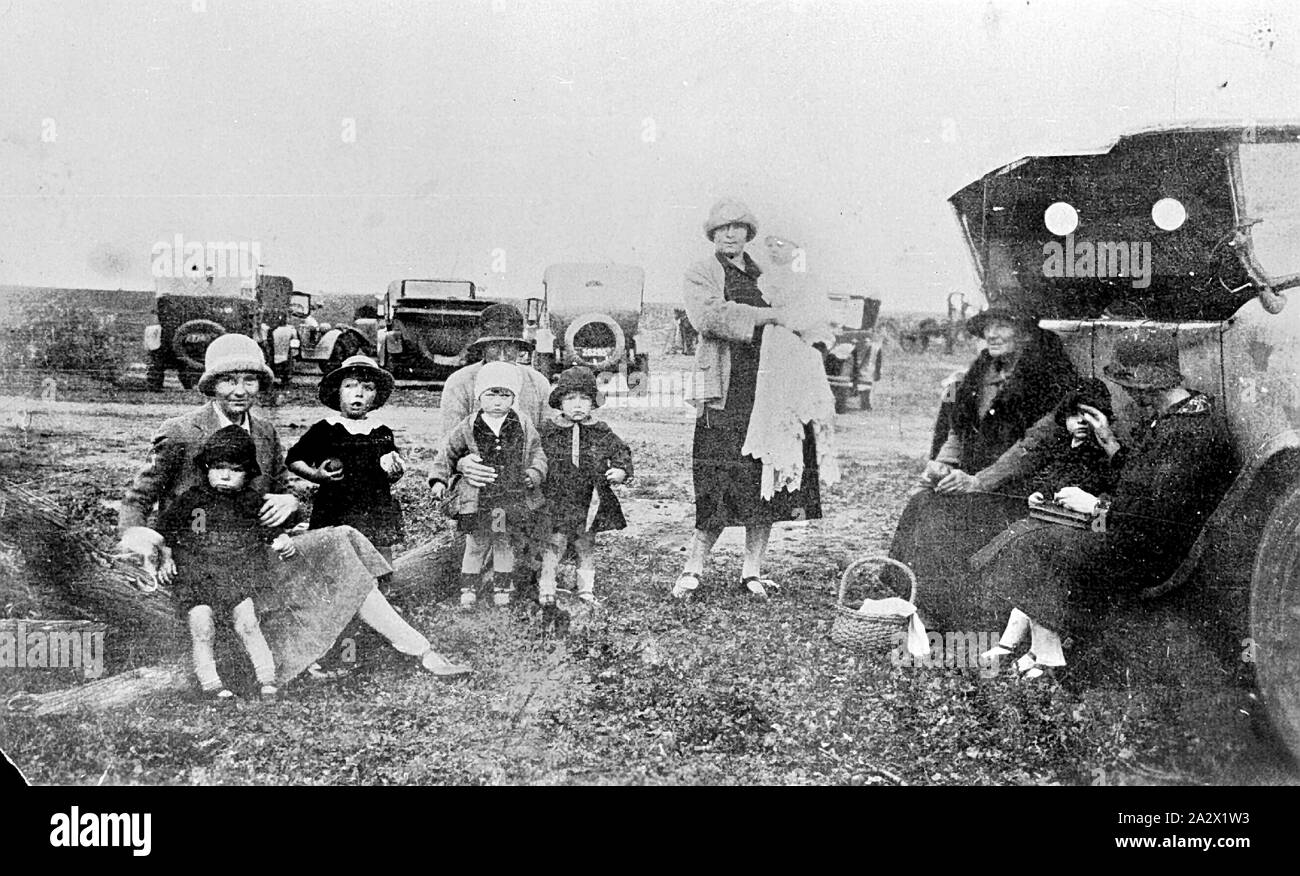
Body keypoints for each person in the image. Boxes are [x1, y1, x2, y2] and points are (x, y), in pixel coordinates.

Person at [118, 333, 471, 682]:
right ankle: (404, 648)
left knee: (341, 539)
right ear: (211, 385)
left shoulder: (265, 433)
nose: (240, 391)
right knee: (336, 550)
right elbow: (138, 500)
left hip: (258, 550)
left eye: (250, 380)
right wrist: (152, 544)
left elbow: (285, 494)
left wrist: (290, 503)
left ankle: (416, 647)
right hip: (202, 562)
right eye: (228, 380)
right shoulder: (180, 433)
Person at [981, 331, 1236, 679]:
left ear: (1152, 384)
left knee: (1036, 546)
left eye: (1133, 387)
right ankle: (1030, 648)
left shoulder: (1189, 433)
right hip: (1134, 533)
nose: (1129, 393)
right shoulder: (1175, 417)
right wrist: (1110, 443)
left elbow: (1157, 518)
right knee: (1035, 532)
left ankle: (1048, 655)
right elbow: (1144, 488)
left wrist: (1095, 508)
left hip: (1154, 553)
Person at [885, 302, 1079, 630]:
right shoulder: (983, 369)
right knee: (924, 502)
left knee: (950, 515)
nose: (991, 333)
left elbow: (1031, 447)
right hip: (977, 478)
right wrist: (940, 467)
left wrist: (979, 482)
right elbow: (959, 430)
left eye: (1003, 325)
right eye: (988, 326)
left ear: (1027, 333)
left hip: (1024, 488)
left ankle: (957, 615)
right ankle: (920, 602)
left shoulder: (1050, 375)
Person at [671, 198, 824, 601]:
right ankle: (693, 568)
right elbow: (709, 317)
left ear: (748, 234)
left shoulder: (765, 274)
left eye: (738, 228)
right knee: (716, 480)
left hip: (768, 391)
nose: (730, 235)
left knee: (764, 479)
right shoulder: (701, 272)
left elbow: (797, 311)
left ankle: (751, 570)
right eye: (722, 229)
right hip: (724, 390)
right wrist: (768, 317)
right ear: (712, 235)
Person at [159, 426, 298, 701]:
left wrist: (283, 538)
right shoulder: (191, 500)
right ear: (206, 468)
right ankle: (211, 683)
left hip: (237, 574)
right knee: (201, 624)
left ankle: (267, 679)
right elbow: (166, 532)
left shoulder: (250, 501)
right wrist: (165, 557)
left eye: (234, 470)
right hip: (195, 574)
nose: (224, 475)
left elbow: (271, 529)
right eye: (218, 467)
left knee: (248, 622)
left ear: (247, 474)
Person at [429, 361, 547, 609]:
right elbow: (448, 453)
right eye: (491, 394)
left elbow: (538, 453)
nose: (498, 401)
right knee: (477, 542)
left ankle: (502, 589)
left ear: (513, 398)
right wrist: (439, 480)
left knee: (504, 541)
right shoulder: (469, 425)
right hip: (479, 498)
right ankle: (468, 590)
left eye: (505, 395)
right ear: (480, 396)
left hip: (509, 496)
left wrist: (534, 473)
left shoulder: (523, 424)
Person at [285, 355, 405, 563]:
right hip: (336, 506)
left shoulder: (381, 431)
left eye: (368, 388)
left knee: (378, 556)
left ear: (376, 396)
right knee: (334, 558)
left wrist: (395, 472)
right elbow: (294, 459)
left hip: (375, 507)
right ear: (337, 392)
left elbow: (389, 468)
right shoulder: (326, 429)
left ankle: (384, 591)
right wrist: (316, 475)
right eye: (350, 386)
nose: (358, 393)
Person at [537, 366, 632, 607]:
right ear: (560, 402)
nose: (577, 405)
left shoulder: (600, 431)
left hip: (589, 499)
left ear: (593, 403)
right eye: (570, 399)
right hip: (556, 496)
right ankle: (546, 585)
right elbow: (533, 454)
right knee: (553, 542)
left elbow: (621, 451)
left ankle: (586, 589)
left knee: (585, 543)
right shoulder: (548, 431)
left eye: (584, 399)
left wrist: (620, 470)